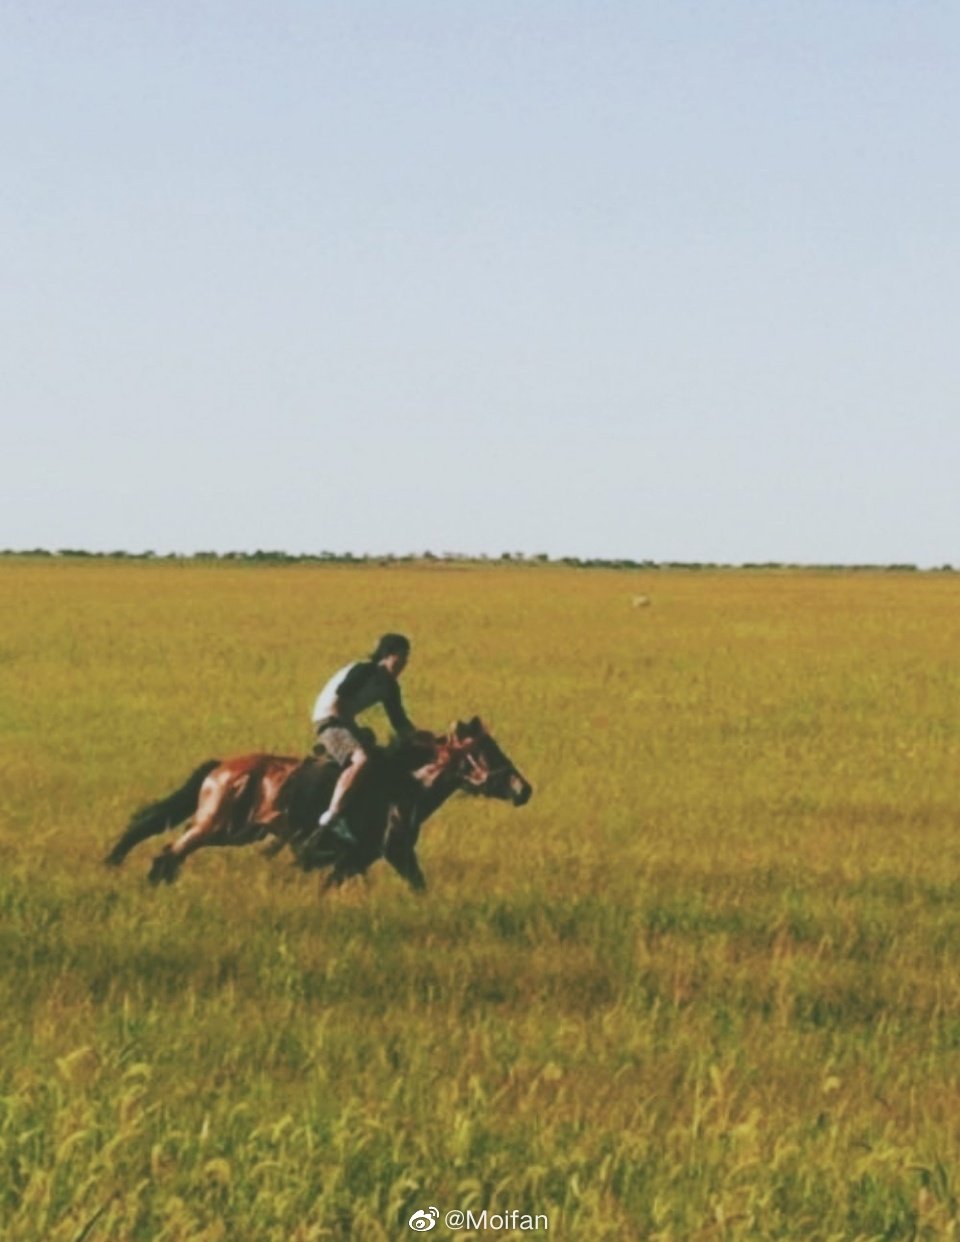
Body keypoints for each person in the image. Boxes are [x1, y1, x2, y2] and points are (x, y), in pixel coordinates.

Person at [310, 633, 416, 846]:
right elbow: (337, 704)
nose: (403, 663)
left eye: (406, 658)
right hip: (329, 720)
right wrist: (355, 731)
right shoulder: (365, 670)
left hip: (345, 721)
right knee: (362, 759)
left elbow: (400, 723)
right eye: (400, 657)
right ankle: (332, 817)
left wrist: (430, 742)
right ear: (386, 656)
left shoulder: (389, 687)